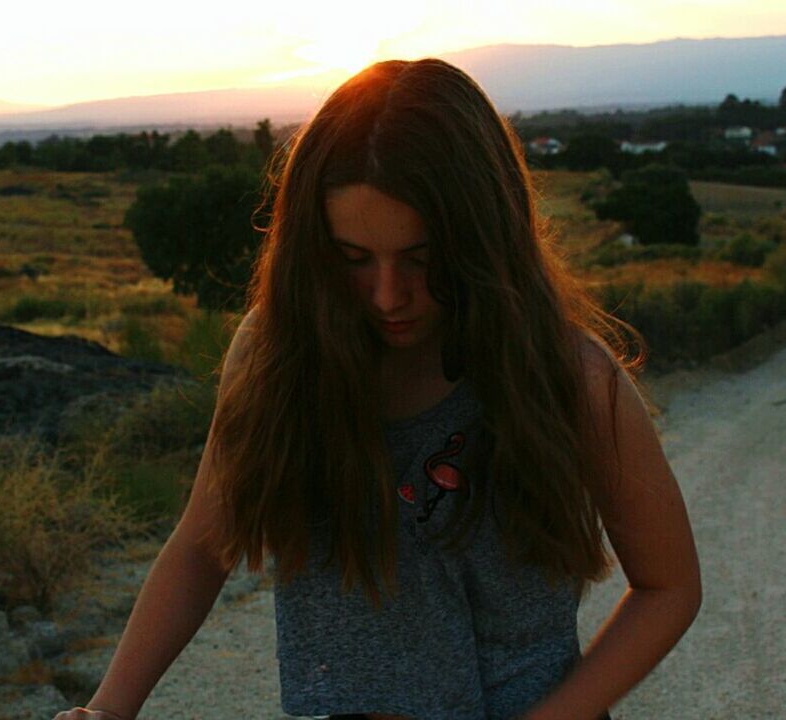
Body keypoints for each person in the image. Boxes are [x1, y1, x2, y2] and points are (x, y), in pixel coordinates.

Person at [53, 58, 701, 720]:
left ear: (484, 238)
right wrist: (107, 708)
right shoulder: (277, 356)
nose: (390, 297)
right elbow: (201, 545)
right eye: (354, 259)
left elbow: (670, 586)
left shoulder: (568, 374)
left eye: (422, 259)